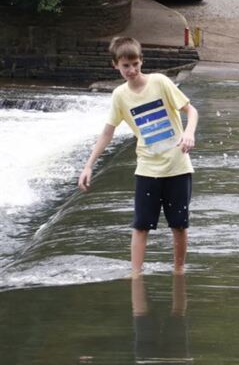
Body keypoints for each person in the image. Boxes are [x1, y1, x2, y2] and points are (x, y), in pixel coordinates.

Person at [77, 37, 197, 276]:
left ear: (142, 61)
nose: (131, 70)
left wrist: (188, 132)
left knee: (179, 225)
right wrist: (88, 165)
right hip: (147, 170)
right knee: (141, 226)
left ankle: (179, 271)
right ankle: (135, 274)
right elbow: (107, 132)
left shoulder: (160, 82)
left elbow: (191, 110)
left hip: (177, 167)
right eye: (125, 66)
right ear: (115, 66)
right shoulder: (120, 96)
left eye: (135, 64)